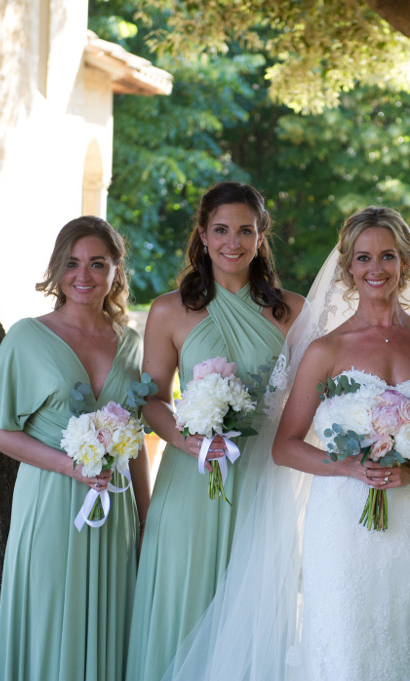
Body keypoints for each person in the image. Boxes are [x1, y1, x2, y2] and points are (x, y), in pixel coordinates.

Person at [126, 182, 305, 681]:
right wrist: (189, 440)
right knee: (183, 605)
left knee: (251, 608)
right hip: (190, 479)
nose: (233, 242)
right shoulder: (169, 310)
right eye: (221, 230)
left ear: (261, 236)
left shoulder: (292, 312)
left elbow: (315, 397)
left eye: (245, 231)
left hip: (261, 482)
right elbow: (152, 399)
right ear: (202, 235)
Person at [273, 206, 410, 681]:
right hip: (339, 515)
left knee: (394, 643)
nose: (376, 269)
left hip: (408, 515)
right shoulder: (325, 350)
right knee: (339, 642)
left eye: (387, 256)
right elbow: (286, 445)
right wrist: (348, 467)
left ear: (405, 263)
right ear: (348, 267)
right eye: (363, 258)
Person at [0, 216, 149, 681]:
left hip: (116, 511)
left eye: (98, 263)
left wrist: (146, 520)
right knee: (48, 620)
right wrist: (67, 464)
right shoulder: (27, 338)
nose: (84, 275)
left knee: (112, 622)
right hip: (50, 507)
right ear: (57, 270)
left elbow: (137, 442)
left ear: (116, 270)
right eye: (72, 263)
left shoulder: (132, 345)